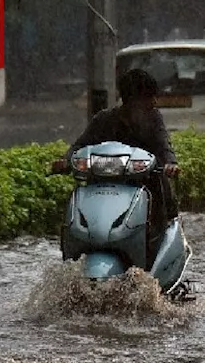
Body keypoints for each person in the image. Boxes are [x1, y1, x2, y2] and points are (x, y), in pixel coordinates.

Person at [52, 68, 182, 249]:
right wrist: (66, 161)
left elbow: (164, 145)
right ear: (131, 100)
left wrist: (171, 164)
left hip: (145, 181)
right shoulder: (104, 120)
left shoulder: (153, 119)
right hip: (102, 184)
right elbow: (79, 146)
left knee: (160, 199)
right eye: (147, 97)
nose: (153, 102)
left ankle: (155, 242)